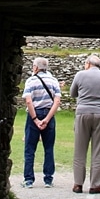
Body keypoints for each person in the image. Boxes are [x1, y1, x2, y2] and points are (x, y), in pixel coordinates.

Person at [70, 54, 100, 195]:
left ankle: (78, 184)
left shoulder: (80, 75)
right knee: (98, 151)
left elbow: (73, 93)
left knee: (80, 150)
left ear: (88, 64)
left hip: (82, 113)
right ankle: (95, 185)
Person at [21, 57, 61, 188]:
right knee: (49, 148)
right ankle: (48, 179)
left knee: (30, 148)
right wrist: (47, 118)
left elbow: (28, 100)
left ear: (36, 67)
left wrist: (35, 119)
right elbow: (57, 101)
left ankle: (28, 180)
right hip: (49, 114)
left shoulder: (31, 80)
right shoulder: (54, 81)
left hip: (34, 113)